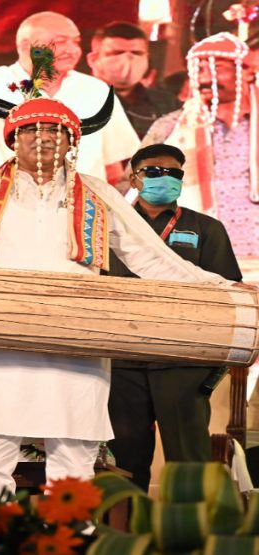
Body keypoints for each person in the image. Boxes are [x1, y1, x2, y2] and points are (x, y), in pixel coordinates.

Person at [0, 52, 238, 506]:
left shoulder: (97, 192)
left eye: (55, 131)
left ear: (72, 140)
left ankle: (72, 533)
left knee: (74, 455)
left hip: (74, 337)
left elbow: (151, 257)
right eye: (31, 130)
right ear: (13, 139)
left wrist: (215, 285)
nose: (43, 138)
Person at [106, 143, 242, 491]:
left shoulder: (206, 228)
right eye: (153, 171)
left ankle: (190, 524)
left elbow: (228, 293)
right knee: (123, 461)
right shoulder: (108, 226)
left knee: (188, 459)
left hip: (183, 360)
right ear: (134, 179)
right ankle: (125, 525)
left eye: (173, 173)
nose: (164, 178)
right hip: (122, 360)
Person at [0, 11, 140, 180]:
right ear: (26, 46)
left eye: (76, 42)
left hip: (83, 198)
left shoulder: (97, 90)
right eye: (60, 42)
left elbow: (113, 167)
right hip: (5, 198)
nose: (72, 50)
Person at [141, 32, 259, 283]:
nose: (205, 76)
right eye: (199, 69)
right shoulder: (170, 128)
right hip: (199, 257)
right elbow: (138, 187)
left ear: (248, 71)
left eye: (216, 67)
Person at [86, 21, 179, 139]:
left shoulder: (167, 103)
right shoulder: (78, 100)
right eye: (116, 53)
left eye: (137, 53)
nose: (128, 59)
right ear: (93, 60)